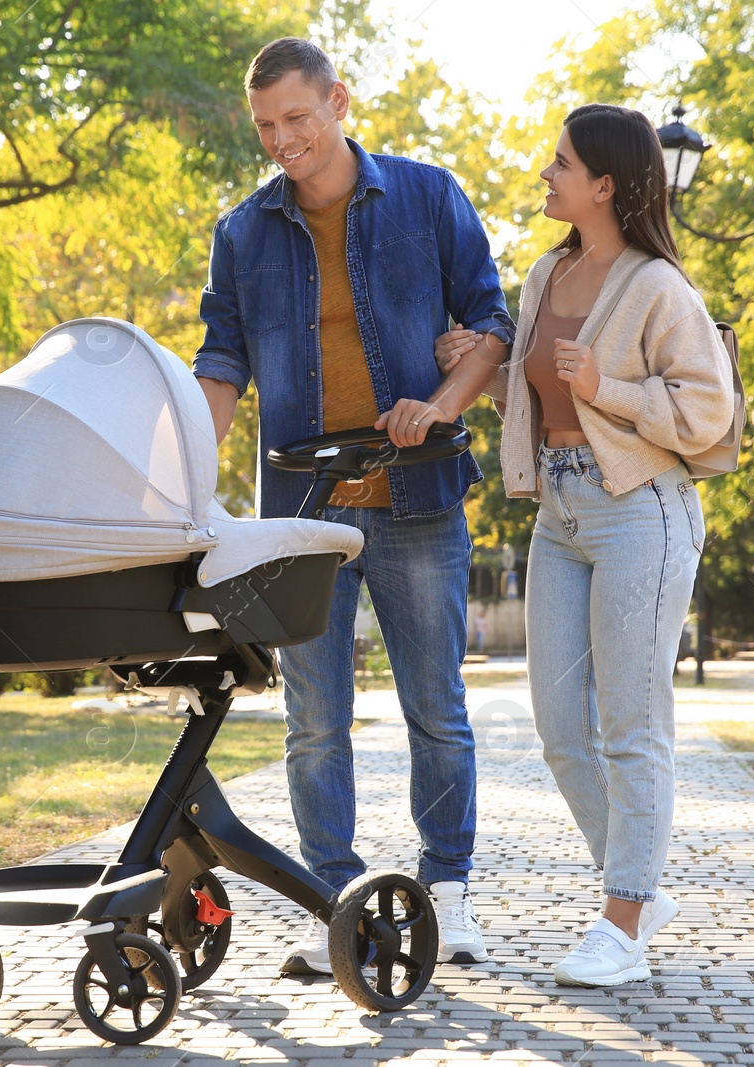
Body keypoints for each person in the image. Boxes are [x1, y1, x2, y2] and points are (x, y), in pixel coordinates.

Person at [193, 37, 514, 975]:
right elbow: (221, 367)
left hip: (418, 498)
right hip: (301, 512)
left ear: (339, 102)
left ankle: (446, 894)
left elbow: (491, 323)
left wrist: (440, 406)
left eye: (297, 117)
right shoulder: (243, 231)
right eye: (265, 126)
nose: (282, 139)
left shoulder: (425, 197)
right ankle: (330, 901)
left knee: (436, 712)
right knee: (314, 724)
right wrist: (174, 472)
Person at [436, 104, 734, 987]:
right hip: (558, 514)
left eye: (561, 163)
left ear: (604, 184)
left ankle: (623, 921)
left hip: (642, 508)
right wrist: (479, 369)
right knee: (561, 727)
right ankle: (638, 883)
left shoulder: (658, 287)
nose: (547, 173)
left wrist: (616, 386)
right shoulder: (543, 276)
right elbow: (540, 399)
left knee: (632, 723)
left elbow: (704, 413)